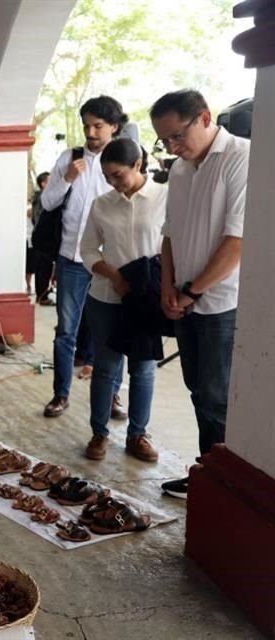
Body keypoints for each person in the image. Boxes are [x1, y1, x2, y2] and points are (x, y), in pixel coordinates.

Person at [151, 89, 249, 499]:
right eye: (165, 141)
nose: (173, 147)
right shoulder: (180, 170)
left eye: (177, 136)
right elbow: (170, 235)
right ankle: (208, 473)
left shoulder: (242, 159)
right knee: (197, 389)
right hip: (185, 298)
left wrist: (192, 291)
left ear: (205, 118)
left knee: (217, 396)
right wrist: (168, 288)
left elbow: (237, 242)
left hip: (222, 302)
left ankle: (226, 488)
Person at [41, 96, 128, 420]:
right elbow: (48, 204)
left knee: (112, 331)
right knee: (66, 331)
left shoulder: (127, 157)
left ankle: (114, 395)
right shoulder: (70, 158)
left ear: (114, 127)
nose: (90, 132)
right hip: (72, 259)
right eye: (87, 125)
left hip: (110, 262)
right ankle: (60, 394)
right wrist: (66, 179)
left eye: (98, 126)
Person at [79, 139, 166, 463]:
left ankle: (137, 435)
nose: (113, 183)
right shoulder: (102, 204)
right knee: (106, 368)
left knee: (143, 368)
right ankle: (99, 433)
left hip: (146, 299)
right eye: (107, 176)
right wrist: (115, 277)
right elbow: (87, 250)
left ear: (138, 165)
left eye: (119, 175)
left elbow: (171, 248)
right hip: (106, 298)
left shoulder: (164, 197)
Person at [30, 171, 54, 304]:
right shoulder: (44, 198)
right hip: (43, 237)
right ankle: (42, 295)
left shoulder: (39, 197)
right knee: (43, 267)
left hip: (40, 236)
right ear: (43, 184)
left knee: (42, 266)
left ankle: (42, 293)